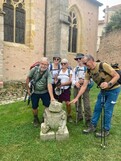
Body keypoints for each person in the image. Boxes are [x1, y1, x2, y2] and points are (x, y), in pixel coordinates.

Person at [70, 54, 120, 137]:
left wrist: (108, 84)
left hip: (113, 90)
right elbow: (84, 86)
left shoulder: (103, 65)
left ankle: (105, 130)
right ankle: (92, 126)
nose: (84, 65)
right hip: (103, 90)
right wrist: (77, 98)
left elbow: (117, 76)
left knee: (107, 109)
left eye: (85, 63)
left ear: (91, 60)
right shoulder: (88, 71)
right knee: (97, 108)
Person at [26, 57, 55, 127]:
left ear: (48, 65)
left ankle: (45, 117)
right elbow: (28, 78)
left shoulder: (48, 72)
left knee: (47, 105)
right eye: (42, 63)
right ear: (40, 63)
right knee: (34, 106)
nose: (44, 66)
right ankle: (35, 118)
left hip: (44, 92)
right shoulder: (34, 70)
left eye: (46, 64)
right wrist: (28, 89)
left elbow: (49, 84)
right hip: (34, 92)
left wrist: (52, 97)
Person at [72, 53, 92, 126]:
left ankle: (88, 118)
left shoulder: (87, 68)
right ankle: (79, 116)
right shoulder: (75, 69)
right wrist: (76, 83)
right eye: (77, 59)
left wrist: (84, 81)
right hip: (76, 87)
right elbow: (73, 79)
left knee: (86, 103)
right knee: (77, 102)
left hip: (85, 87)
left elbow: (91, 79)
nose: (78, 60)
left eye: (80, 59)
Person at [55, 58, 73, 122]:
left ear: (67, 64)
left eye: (64, 63)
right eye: (62, 63)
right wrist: (56, 83)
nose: (63, 65)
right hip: (59, 89)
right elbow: (56, 79)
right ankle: (59, 115)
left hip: (66, 89)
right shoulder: (59, 71)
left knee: (67, 103)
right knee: (59, 102)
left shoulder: (69, 71)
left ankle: (69, 115)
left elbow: (70, 81)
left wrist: (62, 84)